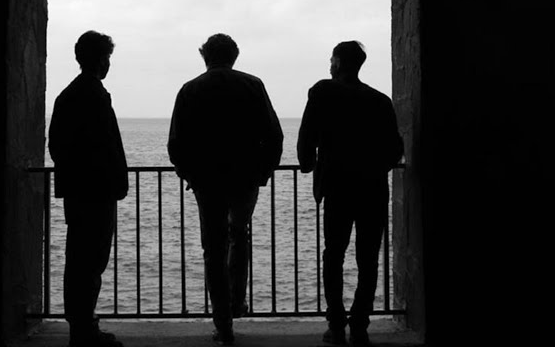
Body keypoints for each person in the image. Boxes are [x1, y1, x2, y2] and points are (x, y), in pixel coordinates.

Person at [168, 34, 284, 346]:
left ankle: (223, 323)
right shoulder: (252, 85)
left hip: (207, 181)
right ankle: (236, 302)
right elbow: (274, 136)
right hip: (245, 178)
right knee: (239, 233)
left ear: (204, 56)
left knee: (214, 249)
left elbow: (176, 144)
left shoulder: (190, 89)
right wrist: (262, 173)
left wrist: (190, 174)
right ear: (234, 56)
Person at [297, 41, 404, 347]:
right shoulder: (379, 101)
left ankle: (336, 325)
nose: (329, 64)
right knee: (368, 259)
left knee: (333, 255)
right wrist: (374, 167)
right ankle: (359, 325)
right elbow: (394, 148)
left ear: (339, 63)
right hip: (372, 187)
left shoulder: (322, 92)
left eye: (332, 59)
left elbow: (307, 137)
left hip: (337, 187)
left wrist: (308, 163)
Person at [48, 31, 129, 347]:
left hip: (77, 191)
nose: (109, 63)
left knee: (78, 259)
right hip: (97, 191)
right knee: (92, 261)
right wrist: (114, 181)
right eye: (107, 57)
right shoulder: (95, 95)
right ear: (100, 59)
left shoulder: (67, 95)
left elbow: (57, 146)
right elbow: (107, 145)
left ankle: (80, 327)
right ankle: (85, 331)